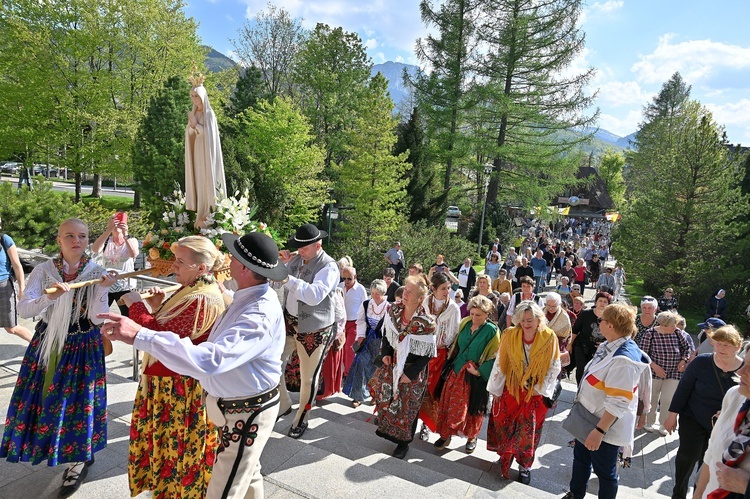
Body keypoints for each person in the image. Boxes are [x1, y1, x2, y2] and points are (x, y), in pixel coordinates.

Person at [101, 230, 288, 499]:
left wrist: (139, 334)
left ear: (245, 269)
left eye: (234, 257)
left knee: (223, 490)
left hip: (247, 413)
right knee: (248, 475)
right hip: (237, 407)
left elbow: (210, 360)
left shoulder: (257, 312)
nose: (227, 261)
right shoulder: (248, 296)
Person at [1, 218, 117, 497]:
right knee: (42, 397)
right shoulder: (43, 270)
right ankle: (40, 442)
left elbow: (95, 317)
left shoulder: (96, 271)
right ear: (59, 240)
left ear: (88, 240)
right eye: (69, 235)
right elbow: (27, 310)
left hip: (83, 344)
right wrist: (50, 298)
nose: (76, 241)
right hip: (48, 342)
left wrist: (103, 288)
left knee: (78, 402)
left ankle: (78, 460)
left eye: (82, 236)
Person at [120, 235, 225, 499]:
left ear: (201, 268)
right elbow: (170, 325)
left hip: (179, 388)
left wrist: (135, 306)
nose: (173, 267)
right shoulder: (194, 287)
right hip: (169, 382)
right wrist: (156, 307)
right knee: (168, 446)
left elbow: (163, 339)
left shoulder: (203, 297)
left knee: (176, 447)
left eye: (180, 261)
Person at [563, 304, 650, 499]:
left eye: (602, 320)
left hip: (603, 427)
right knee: (581, 461)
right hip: (589, 418)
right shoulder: (609, 345)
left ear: (610, 326)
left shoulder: (623, 360)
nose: (598, 322)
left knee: (605, 473)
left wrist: (599, 431)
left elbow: (619, 401)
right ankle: (575, 494)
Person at [663, 325, 743, 499]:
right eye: (718, 343)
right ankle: (679, 493)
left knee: (708, 461)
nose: (721, 348)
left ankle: (698, 494)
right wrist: (671, 416)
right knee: (686, 457)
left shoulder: (745, 370)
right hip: (693, 417)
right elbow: (683, 389)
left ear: (738, 346)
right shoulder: (701, 362)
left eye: (726, 345)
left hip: (722, 426)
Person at [487, 300, 561, 483]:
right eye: (523, 320)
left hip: (535, 393)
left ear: (538, 320)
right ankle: (505, 456)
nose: (526, 324)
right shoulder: (510, 335)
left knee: (528, 433)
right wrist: (495, 389)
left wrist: (540, 390)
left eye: (530, 320)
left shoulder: (549, 337)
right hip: (511, 389)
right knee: (506, 424)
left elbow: (554, 366)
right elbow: (500, 363)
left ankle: (524, 466)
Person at [278, 224, 339, 439]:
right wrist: (280, 264)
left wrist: (287, 277)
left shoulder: (329, 267)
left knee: (308, 378)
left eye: (303, 248)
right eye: (298, 247)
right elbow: (275, 280)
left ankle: (302, 419)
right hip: (290, 323)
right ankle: (284, 404)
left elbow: (314, 295)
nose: (299, 251)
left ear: (318, 245)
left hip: (315, 328)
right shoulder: (295, 259)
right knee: (272, 362)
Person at [369, 275, 436, 459]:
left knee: (407, 408)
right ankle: (387, 429)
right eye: (405, 289)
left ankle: (403, 443)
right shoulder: (395, 309)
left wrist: (411, 373)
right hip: (392, 365)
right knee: (387, 398)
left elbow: (428, 352)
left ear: (420, 298)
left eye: (410, 292)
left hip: (411, 370)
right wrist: (385, 354)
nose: (404, 293)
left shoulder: (427, 322)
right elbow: (388, 334)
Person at [433, 295, 500, 453]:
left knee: (473, 407)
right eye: (472, 313)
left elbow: (495, 356)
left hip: (475, 374)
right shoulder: (464, 323)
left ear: (487, 314)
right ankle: (446, 433)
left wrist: (478, 372)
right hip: (457, 370)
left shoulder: (493, 331)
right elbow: (456, 345)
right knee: (449, 402)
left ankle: (472, 436)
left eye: (479, 315)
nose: (474, 318)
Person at [692, 346, 750, 499]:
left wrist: (745, 486)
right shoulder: (735, 396)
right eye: (745, 363)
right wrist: (697, 494)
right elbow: (711, 452)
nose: (740, 372)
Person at [418, 272, 461, 439]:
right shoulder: (425, 302)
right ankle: (413, 419)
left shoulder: (453, 308)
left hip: (440, 355)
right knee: (418, 388)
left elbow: (453, 334)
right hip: (422, 352)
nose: (447, 292)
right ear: (433, 289)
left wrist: (435, 343)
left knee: (434, 391)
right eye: (443, 288)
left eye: (449, 288)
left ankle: (426, 426)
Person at [640, 311, 694, 435]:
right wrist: (654, 367)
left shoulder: (677, 333)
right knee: (652, 398)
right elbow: (643, 354)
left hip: (674, 372)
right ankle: (649, 422)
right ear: (663, 325)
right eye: (672, 325)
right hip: (654, 373)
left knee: (667, 399)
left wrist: (683, 360)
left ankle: (663, 424)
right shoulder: (650, 334)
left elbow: (687, 349)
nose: (675, 327)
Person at [184, 78, 227, 229]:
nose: (194, 99)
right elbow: (189, 134)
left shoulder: (209, 114)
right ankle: (200, 213)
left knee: (206, 181)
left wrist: (196, 125)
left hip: (207, 154)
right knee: (199, 181)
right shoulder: (195, 113)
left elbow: (210, 137)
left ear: (202, 96)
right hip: (197, 151)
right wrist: (191, 127)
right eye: (192, 96)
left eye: (196, 96)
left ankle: (209, 214)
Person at [344, 279, 389, 407]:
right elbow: (361, 321)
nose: (375, 295)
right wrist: (360, 335)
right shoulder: (366, 304)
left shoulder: (389, 307)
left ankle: (375, 395)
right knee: (360, 364)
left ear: (383, 293)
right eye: (374, 292)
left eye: (378, 293)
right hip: (366, 341)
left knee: (377, 369)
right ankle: (357, 396)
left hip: (380, 342)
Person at [91, 212, 139, 315]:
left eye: (119, 220)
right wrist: (109, 230)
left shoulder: (131, 240)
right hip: (108, 284)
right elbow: (95, 249)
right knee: (99, 314)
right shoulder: (107, 240)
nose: (116, 222)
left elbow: (133, 254)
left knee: (128, 315)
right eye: (113, 219)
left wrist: (125, 233)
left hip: (125, 285)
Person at [568, 292, 613, 385]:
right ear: (596, 302)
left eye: (605, 302)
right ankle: (579, 389)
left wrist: (606, 344)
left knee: (594, 371)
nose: (602, 303)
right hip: (582, 345)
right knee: (581, 368)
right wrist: (569, 345)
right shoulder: (586, 314)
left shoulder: (611, 318)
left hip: (600, 349)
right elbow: (575, 330)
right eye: (600, 301)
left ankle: (587, 391)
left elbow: (614, 335)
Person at [0, 215, 32, 341]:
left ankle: (40, 347)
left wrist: (21, 289)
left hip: (4, 288)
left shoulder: (5, 240)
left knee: (11, 327)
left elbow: (17, 266)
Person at [338, 266, 367, 377]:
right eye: (343, 278)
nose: (346, 281)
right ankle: (340, 372)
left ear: (355, 277)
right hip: (341, 323)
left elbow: (365, 307)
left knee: (350, 349)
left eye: (349, 279)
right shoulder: (340, 286)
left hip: (354, 323)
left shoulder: (360, 289)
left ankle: (348, 374)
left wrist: (363, 327)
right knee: (340, 348)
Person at [544, 292, 572, 372]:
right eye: (548, 305)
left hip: (557, 347)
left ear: (559, 305)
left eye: (554, 306)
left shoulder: (564, 317)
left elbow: (565, 336)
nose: (550, 308)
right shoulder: (541, 312)